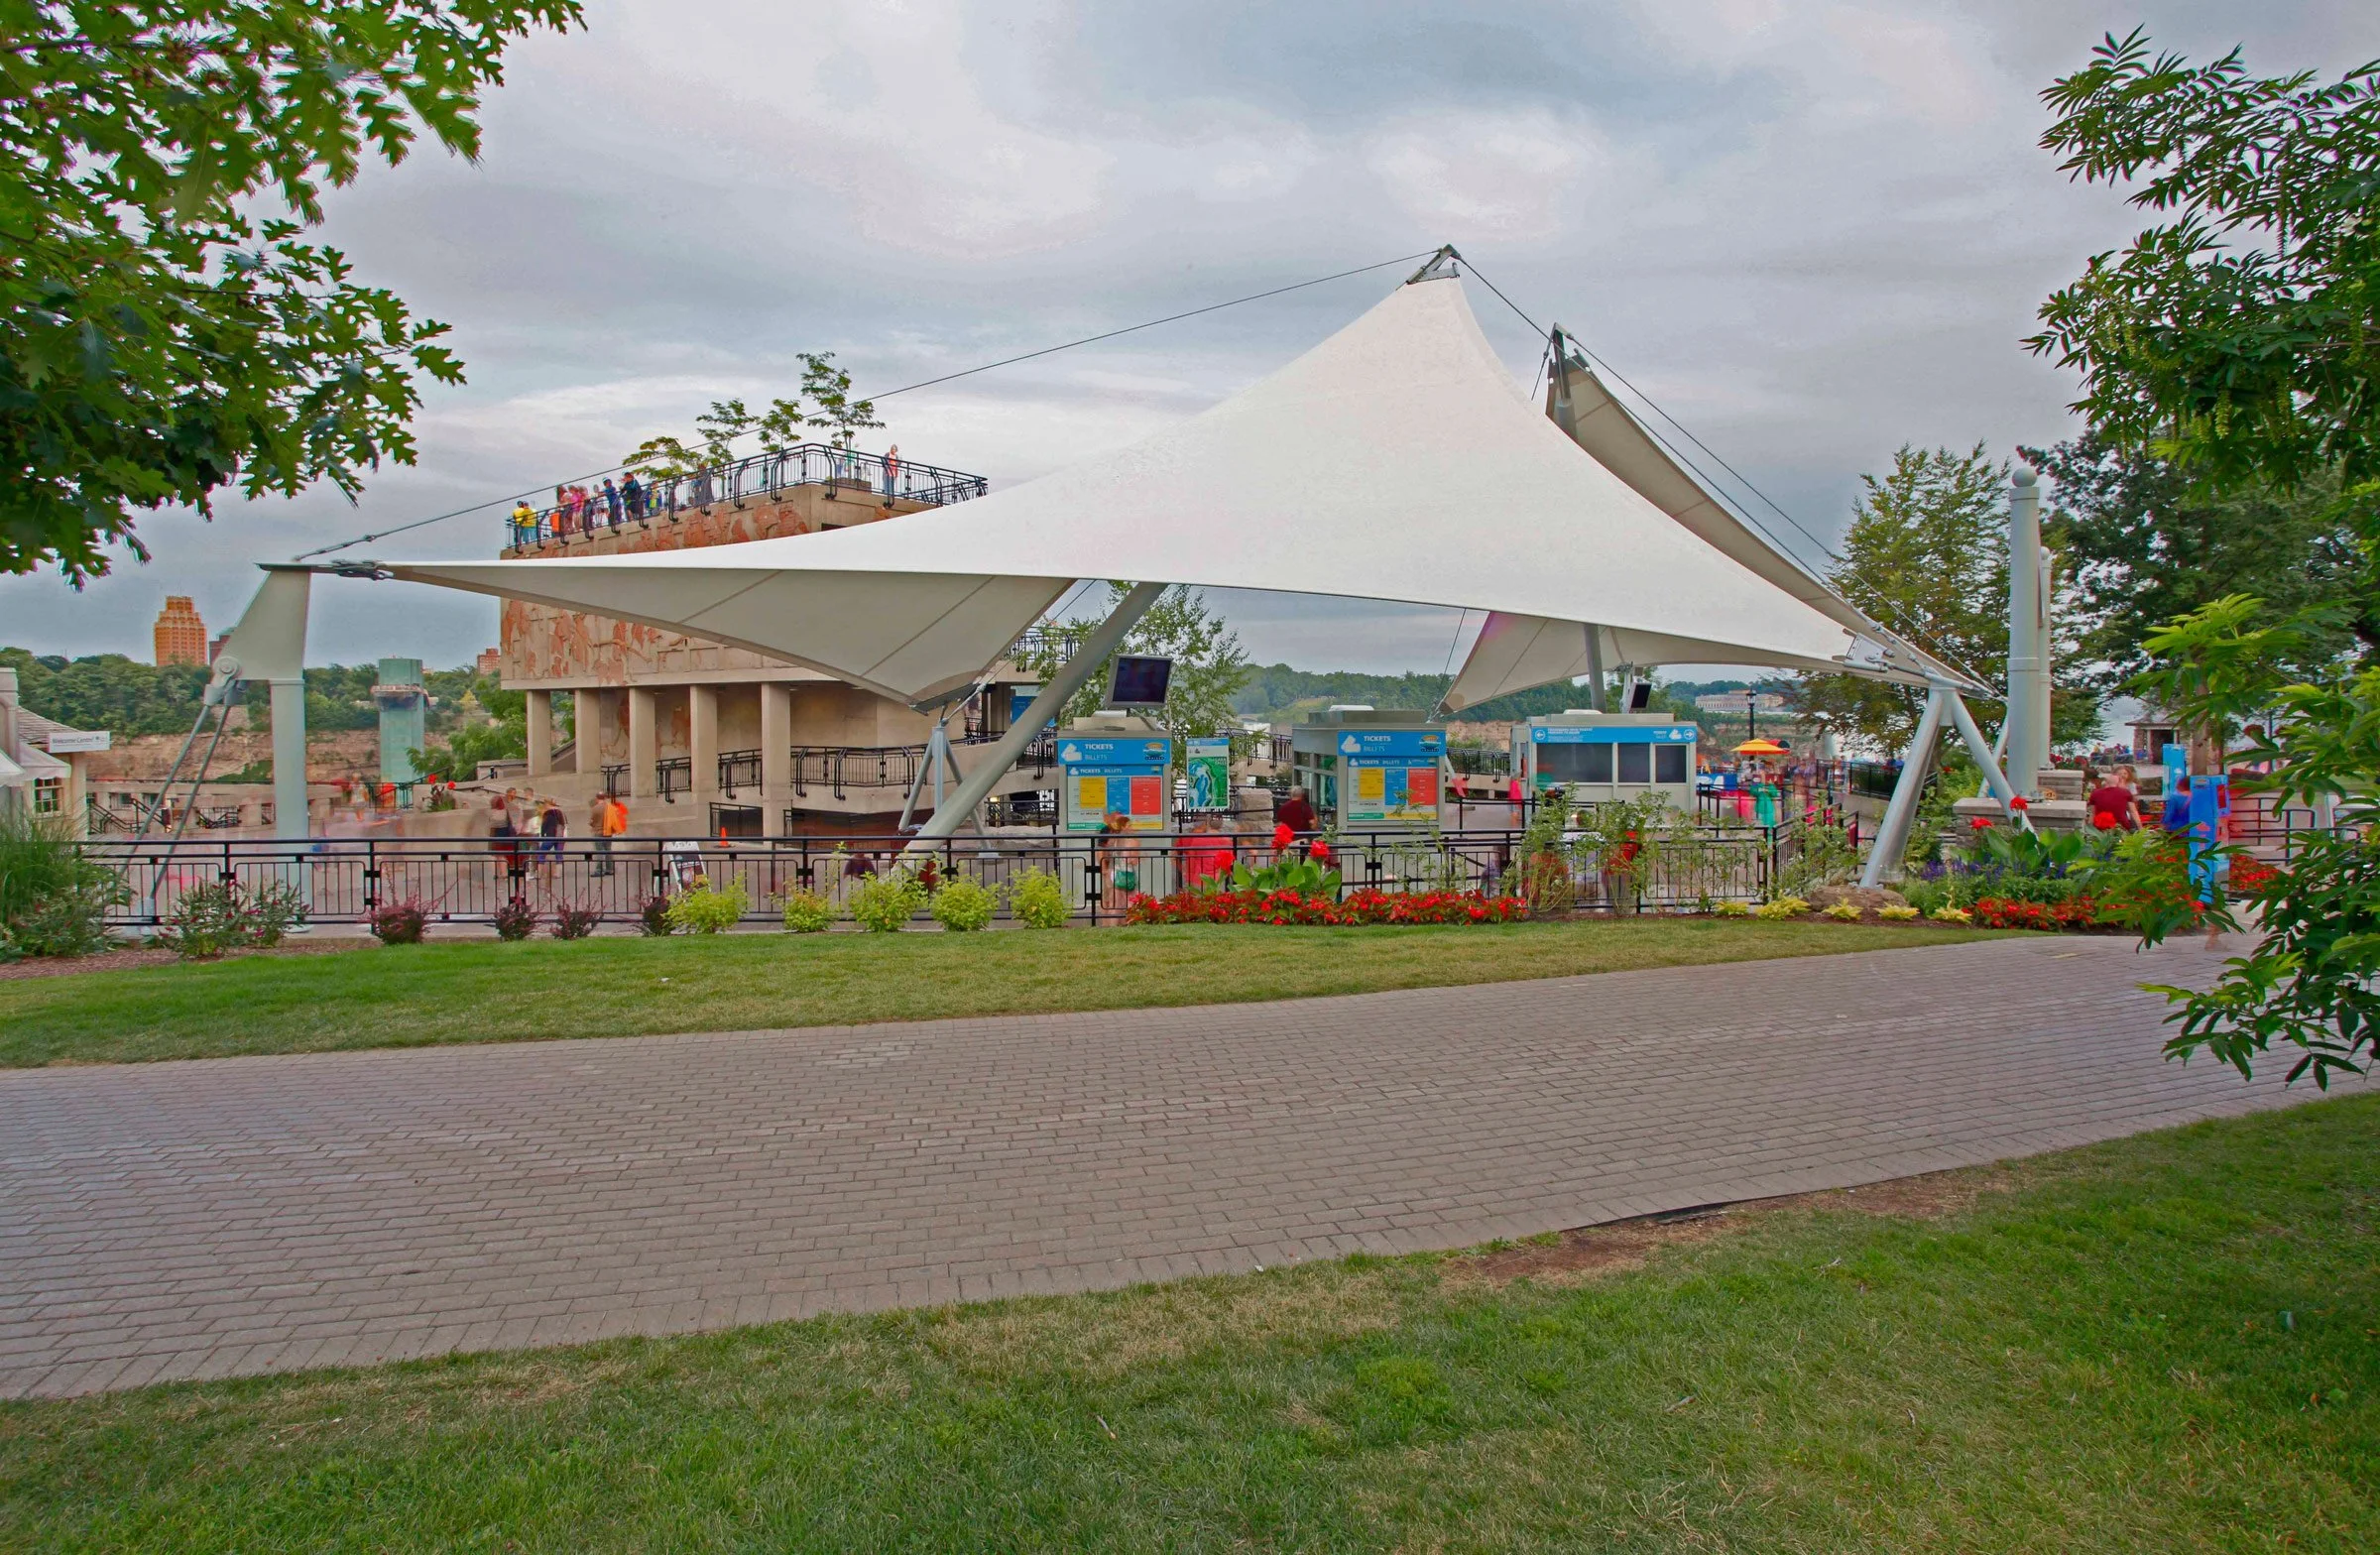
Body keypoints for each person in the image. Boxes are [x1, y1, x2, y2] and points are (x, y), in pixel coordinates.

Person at [1180, 810, 1235, 891]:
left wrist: (1189, 875)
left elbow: (1191, 859)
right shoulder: (1226, 841)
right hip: (1218, 880)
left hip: (1199, 878)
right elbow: (1228, 862)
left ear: (1208, 823)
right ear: (1221, 825)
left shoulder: (1197, 839)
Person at [2087, 765, 2142, 831]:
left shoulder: (2095, 793)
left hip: (2101, 824)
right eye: (2120, 774)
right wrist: (2140, 827)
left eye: (2125, 773)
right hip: (2122, 824)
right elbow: (2133, 811)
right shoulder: (2125, 792)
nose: (2122, 776)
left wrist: (2089, 828)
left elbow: (2092, 813)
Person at [537, 798, 566, 886]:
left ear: (547, 805)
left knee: (541, 854)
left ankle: (539, 874)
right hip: (560, 836)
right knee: (559, 855)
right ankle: (558, 874)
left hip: (550, 836)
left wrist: (542, 835)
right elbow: (564, 824)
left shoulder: (547, 814)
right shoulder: (560, 813)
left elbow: (544, 826)